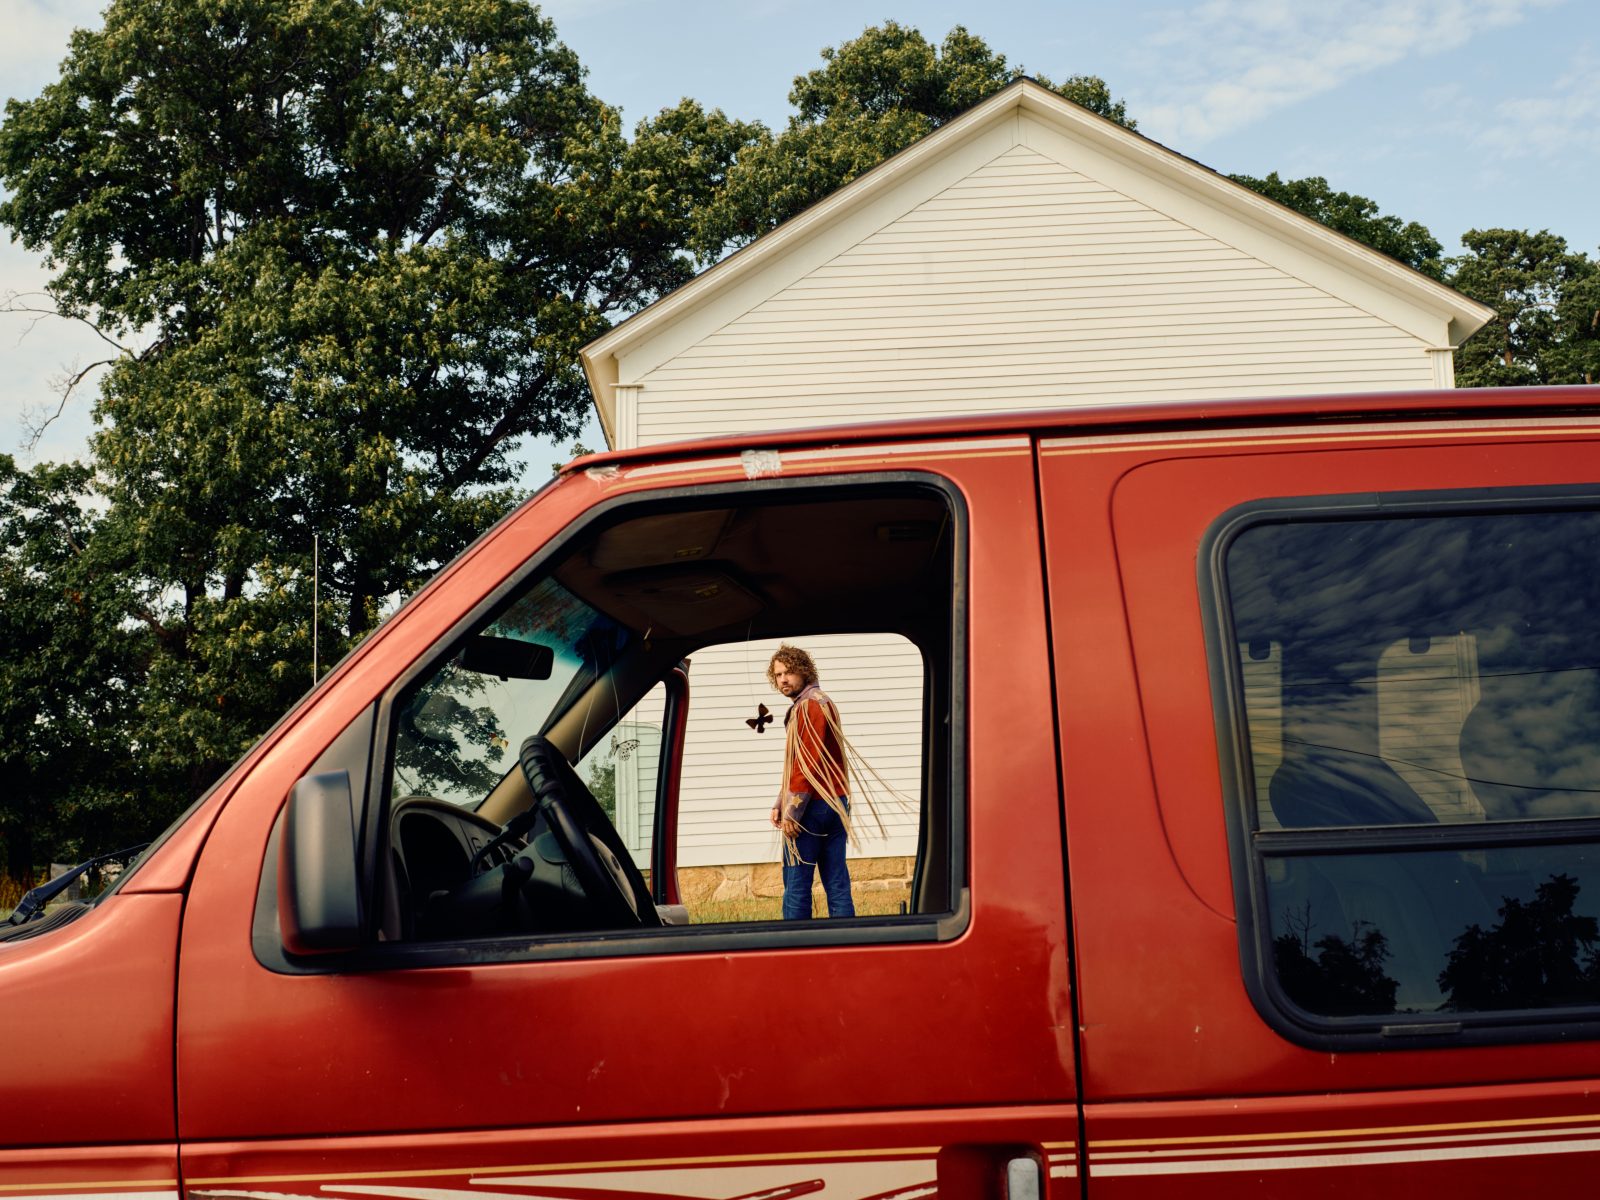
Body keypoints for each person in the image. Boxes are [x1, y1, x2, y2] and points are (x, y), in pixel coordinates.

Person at [767, 645, 855, 919]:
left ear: (804, 670)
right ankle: (847, 944)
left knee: (797, 884)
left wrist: (792, 811)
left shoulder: (809, 706)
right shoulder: (823, 701)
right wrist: (780, 802)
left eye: (789, 672)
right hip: (836, 803)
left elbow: (807, 764)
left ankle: (794, 949)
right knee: (837, 881)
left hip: (813, 807)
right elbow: (800, 761)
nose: (783, 679)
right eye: (778, 674)